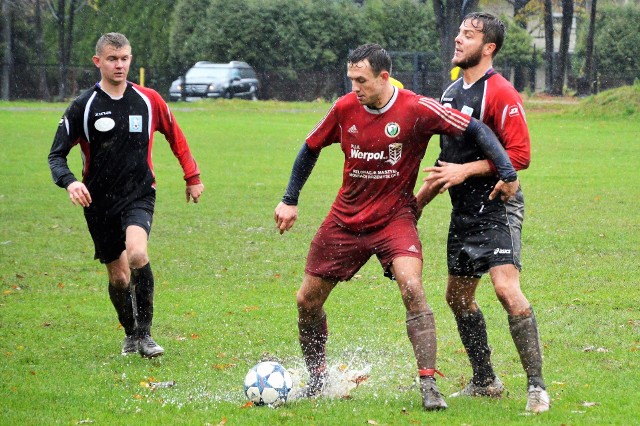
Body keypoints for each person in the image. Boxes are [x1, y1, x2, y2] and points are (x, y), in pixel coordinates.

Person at [274, 43, 520, 411]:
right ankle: (318, 378)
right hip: (345, 219)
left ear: (384, 77)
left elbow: (477, 129)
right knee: (306, 300)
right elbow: (310, 147)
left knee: (412, 287)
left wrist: (508, 172)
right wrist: (290, 198)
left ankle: (428, 385)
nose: (355, 87)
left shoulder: (417, 108)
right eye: (351, 79)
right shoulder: (344, 108)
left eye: (362, 80)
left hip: (395, 220)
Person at [415, 12, 550, 413]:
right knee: (457, 297)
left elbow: (520, 156)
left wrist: (467, 170)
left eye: (468, 36)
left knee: (507, 289)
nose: (458, 40)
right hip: (464, 211)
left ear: (488, 47)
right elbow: (445, 162)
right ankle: (485, 379)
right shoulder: (451, 92)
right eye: (459, 33)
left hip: (498, 206)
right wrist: (416, 205)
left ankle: (538, 388)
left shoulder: (502, 93)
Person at [48, 33, 204, 358]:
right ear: (98, 62)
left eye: (124, 59)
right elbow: (56, 155)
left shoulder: (148, 100)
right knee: (119, 278)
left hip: (139, 194)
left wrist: (192, 176)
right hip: (98, 203)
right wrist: (70, 182)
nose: (119, 65)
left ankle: (146, 336)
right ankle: (131, 333)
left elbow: (176, 136)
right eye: (112, 59)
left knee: (136, 254)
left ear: (130, 59)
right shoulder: (83, 106)